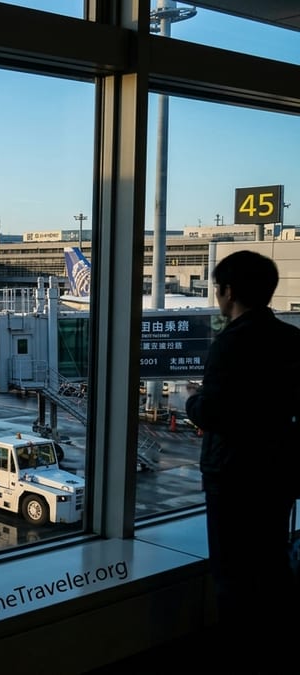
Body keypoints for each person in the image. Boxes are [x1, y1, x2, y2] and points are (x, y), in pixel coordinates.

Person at [184, 249, 300, 669]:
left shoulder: (230, 343)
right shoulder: (291, 339)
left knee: (232, 573)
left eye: (218, 288)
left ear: (229, 292)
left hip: (233, 474)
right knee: (271, 560)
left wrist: (192, 401)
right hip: (278, 469)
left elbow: (214, 413)